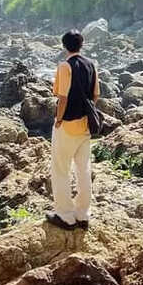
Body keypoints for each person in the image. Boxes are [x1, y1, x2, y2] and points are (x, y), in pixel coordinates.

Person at [45, 29, 100, 230]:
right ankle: (83, 215)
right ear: (81, 44)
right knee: (83, 170)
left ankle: (65, 215)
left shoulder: (65, 66)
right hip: (85, 125)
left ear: (64, 46)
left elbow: (63, 97)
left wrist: (58, 120)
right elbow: (95, 96)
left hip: (67, 125)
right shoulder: (91, 65)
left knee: (60, 169)